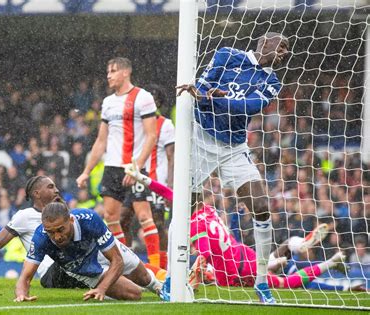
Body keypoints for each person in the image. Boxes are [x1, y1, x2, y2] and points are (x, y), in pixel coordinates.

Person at [124, 162, 348, 301]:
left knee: (284, 282)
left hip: (234, 272)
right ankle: (294, 248)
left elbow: (204, 254)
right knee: (273, 263)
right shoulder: (207, 209)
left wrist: (193, 280)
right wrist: (141, 177)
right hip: (243, 254)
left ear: (187, 203)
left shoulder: (194, 223)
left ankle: (327, 259)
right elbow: (167, 192)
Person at [176, 32, 290, 303]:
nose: (286, 52)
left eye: (288, 48)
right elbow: (203, 85)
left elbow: (250, 107)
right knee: (184, 209)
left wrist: (215, 100)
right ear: (264, 42)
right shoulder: (227, 54)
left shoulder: (272, 81)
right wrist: (204, 97)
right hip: (201, 138)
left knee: (261, 205)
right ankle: (174, 278)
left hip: (233, 148)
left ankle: (262, 283)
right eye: (282, 45)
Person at [76, 57, 161, 267]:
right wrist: (87, 171)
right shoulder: (108, 102)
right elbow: (101, 140)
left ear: (125, 72)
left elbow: (152, 136)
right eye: (108, 71)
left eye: (113, 71)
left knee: (144, 216)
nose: (109, 75)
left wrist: (136, 166)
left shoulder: (143, 97)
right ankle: (123, 264)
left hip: (134, 167)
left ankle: (158, 268)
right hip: (112, 167)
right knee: (111, 216)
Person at [0, 175, 86, 289]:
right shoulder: (24, 216)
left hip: (70, 265)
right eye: (50, 187)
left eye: (55, 187)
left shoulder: (64, 213)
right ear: (37, 193)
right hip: (52, 273)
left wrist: (66, 212)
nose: (56, 190)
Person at [14, 202, 163, 302]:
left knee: (144, 278)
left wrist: (103, 287)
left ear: (71, 220)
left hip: (102, 250)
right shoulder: (41, 237)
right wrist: (21, 294)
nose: (57, 237)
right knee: (135, 294)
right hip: (86, 270)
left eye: (60, 230)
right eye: (51, 232)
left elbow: (117, 261)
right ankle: (111, 290)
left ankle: (159, 286)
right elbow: (25, 277)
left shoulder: (89, 219)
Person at [121, 84, 175, 269]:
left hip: (155, 182)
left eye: (153, 99)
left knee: (158, 224)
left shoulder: (166, 124)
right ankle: (126, 263)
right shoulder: (137, 125)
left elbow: (171, 156)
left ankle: (162, 268)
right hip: (134, 179)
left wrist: (170, 185)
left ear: (159, 103)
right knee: (123, 218)